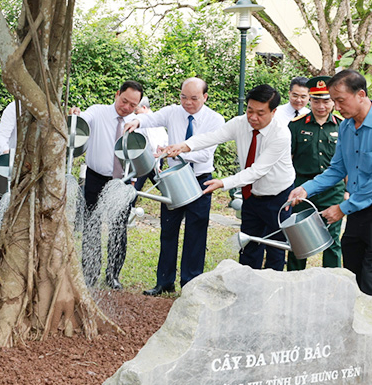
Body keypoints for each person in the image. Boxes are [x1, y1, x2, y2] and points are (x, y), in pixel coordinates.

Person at [287, 70, 372, 298]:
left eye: (340, 100)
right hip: (359, 208)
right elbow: (337, 169)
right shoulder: (346, 127)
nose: (336, 106)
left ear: (361, 95)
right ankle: (353, 316)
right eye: (334, 101)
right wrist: (306, 188)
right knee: (352, 271)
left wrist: (343, 208)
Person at [163, 84, 295, 271]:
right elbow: (213, 137)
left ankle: (272, 286)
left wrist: (223, 183)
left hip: (278, 195)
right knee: (248, 243)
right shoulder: (240, 123)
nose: (253, 117)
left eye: (260, 113)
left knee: (275, 246)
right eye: (250, 110)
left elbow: (257, 171)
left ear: (273, 112)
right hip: (252, 195)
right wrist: (184, 146)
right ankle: (246, 283)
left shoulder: (281, 134)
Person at [126, 78, 225, 295]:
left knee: (196, 233)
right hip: (172, 179)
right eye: (183, 97)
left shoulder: (215, 120)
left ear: (205, 97)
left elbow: (205, 154)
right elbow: (151, 118)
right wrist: (136, 122)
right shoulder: (173, 112)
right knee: (168, 230)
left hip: (200, 180)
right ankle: (164, 281)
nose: (187, 102)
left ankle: (190, 283)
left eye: (194, 98)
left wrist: (176, 151)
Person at [76, 80, 145, 291]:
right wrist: (76, 116)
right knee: (91, 225)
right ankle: (90, 272)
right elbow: (83, 120)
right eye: (124, 101)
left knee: (119, 228)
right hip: (95, 177)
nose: (126, 107)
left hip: (121, 181)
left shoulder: (136, 122)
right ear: (117, 94)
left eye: (132, 105)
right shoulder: (98, 112)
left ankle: (113, 275)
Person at [286, 75, 344, 271]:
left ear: (333, 102)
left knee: (332, 239)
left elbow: (348, 162)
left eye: (326, 101)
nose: (321, 106)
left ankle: (332, 280)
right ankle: (294, 279)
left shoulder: (342, 125)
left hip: (333, 191)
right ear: (310, 100)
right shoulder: (296, 125)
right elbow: (288, 159)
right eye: (316, 101)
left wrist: (347, 191)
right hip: (302, 189)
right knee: (298, 238)